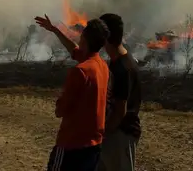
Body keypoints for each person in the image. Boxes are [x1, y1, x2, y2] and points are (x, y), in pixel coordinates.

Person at [34, 15, 110, 171]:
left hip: (72, 145)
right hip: (94, 144)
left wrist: (60, 100)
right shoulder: (101, 66)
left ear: (84, 39)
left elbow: (60, 110)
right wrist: (55, 30)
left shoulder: (80, 71)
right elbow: (74, 50)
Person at [98, 13, 142, 171]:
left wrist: (103, 133)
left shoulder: (122, 68)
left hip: (120, 135)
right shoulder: (119, 61)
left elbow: (119, 112)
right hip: (115, 134)